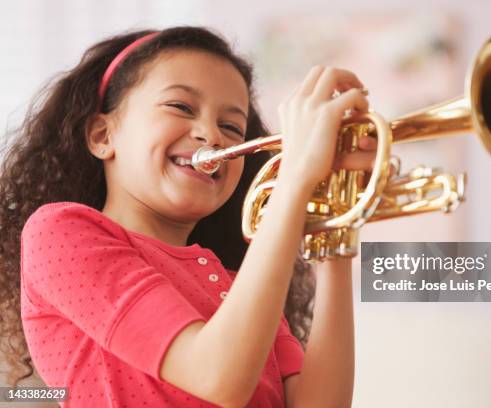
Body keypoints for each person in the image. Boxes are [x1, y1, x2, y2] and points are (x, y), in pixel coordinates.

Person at [0, 26, 376, 407]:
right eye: (180, 106)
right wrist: (297, 175)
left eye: (231, 127)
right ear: (102, 135)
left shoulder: (238, 285)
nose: (211, 136)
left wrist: (335, 235)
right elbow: (217, 376)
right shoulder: (59, 232)